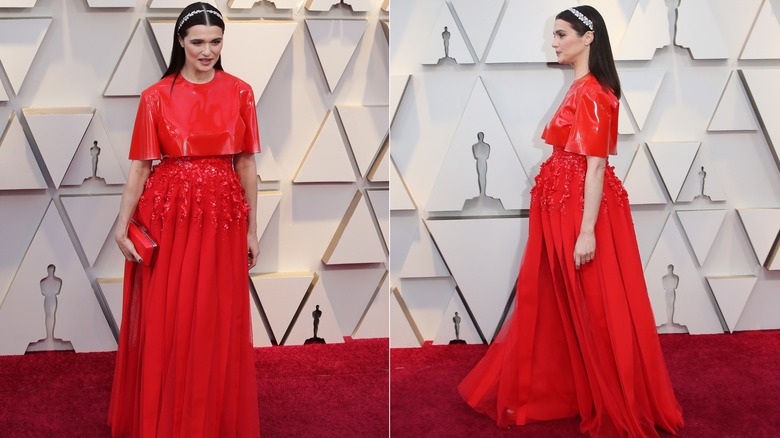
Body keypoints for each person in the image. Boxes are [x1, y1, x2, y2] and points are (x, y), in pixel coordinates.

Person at [458, 6, 684, 437]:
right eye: (554, 35)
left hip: (580, 211)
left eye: (561, 35)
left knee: (595, 305)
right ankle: (571, 389)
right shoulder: (582, 88)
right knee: (562, 301)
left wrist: (585, 232)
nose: (554, 43)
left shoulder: (594, 93)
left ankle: (612, 395)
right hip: (565, 205)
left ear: (587, 38)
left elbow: (595, 166)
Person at [108, 3, 261, 437]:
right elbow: (140, 166)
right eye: (197, 41)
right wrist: (122, 224)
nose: (207, 50)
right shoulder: (156, 96)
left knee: (215, 313)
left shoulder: (241, 92)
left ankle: (208, 416)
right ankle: (165, 415)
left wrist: (252, 228)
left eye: (215, 41)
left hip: (223, 215)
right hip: (168, 213)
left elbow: (247, 163)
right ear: (180, 42)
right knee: (168, 314)